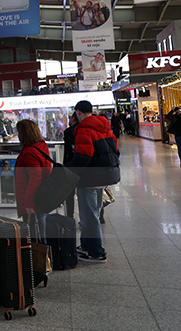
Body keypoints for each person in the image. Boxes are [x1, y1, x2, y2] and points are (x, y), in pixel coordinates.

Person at [66, 100, 120, 263]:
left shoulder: (84, 129)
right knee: (93, 213)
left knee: (89, 217)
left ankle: (97, 252)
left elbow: (83, 157)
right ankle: (86, 246)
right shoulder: (105, 126)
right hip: (104, 176)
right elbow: (116, 150)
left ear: (78, 112)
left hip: (90, 178)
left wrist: (66, 169)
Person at [14, 120, 52, 242]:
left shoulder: (29, 152)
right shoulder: (41, 146)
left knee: (37, 239)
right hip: (41, 198)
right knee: (40, 234)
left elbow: (35, 178)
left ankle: (40, 261)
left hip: (34, 202)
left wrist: (29, 204)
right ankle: (44, 260)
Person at [62, 113, 79, 219]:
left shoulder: (69, 132)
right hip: (85, 166)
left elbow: (68, 151)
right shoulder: (87, 130)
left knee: (69, 193)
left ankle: (70, 216)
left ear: (73, 119)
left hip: (71, 165)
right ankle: (99, 215)